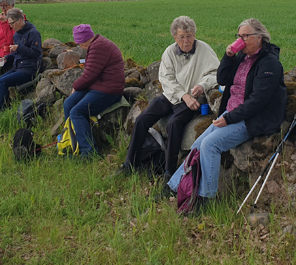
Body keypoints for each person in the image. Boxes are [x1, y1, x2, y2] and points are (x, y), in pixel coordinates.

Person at [162, 19, 287, 213]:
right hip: (232, 113)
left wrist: (229, 118)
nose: (241, 40)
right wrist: (228, 56)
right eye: (239, 36)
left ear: (259, 38)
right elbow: (222, 79)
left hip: (252, 119)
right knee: (197, 145)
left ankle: (205, 200)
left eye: (245, 36)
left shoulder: (269, 63)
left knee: (209, 145)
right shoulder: (242, 56)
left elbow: (257, 101)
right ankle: (174, 186)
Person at [117, 16, 219, 177]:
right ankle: (129, 164)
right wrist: (183, 95)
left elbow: (215, 73)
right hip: (172, 96)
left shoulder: (204, 49)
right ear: (175, 37)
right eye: (182, 37)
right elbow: (166, 79)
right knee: (142, 120)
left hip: (193, 99)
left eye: (189, 36)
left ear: (194, 34)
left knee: (174, 124)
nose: (186, 41)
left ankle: (169, 173)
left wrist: (202, 85)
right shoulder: (170, 52)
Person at [63, 24, 124, 159]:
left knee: (77, 112)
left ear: (84, 39)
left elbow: (90, 74)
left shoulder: (98, 47)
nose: (79, 45)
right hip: (97, 86)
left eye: (79, 42)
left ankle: (89, 152)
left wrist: (75, 86)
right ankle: (71, 142)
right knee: (68, 104)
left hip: (109, 90)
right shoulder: (95, 44)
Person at [0, 8, 42, 112]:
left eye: (12, 23)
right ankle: (1, 107)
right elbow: (16, 52)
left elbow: (36, 53)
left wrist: (19, 48)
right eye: (9, 24)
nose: (11, 26)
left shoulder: (33, 33)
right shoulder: (17, 34)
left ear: (20, 20)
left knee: (2, 82)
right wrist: (7, 58)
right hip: (18, 67)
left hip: (29, 69)